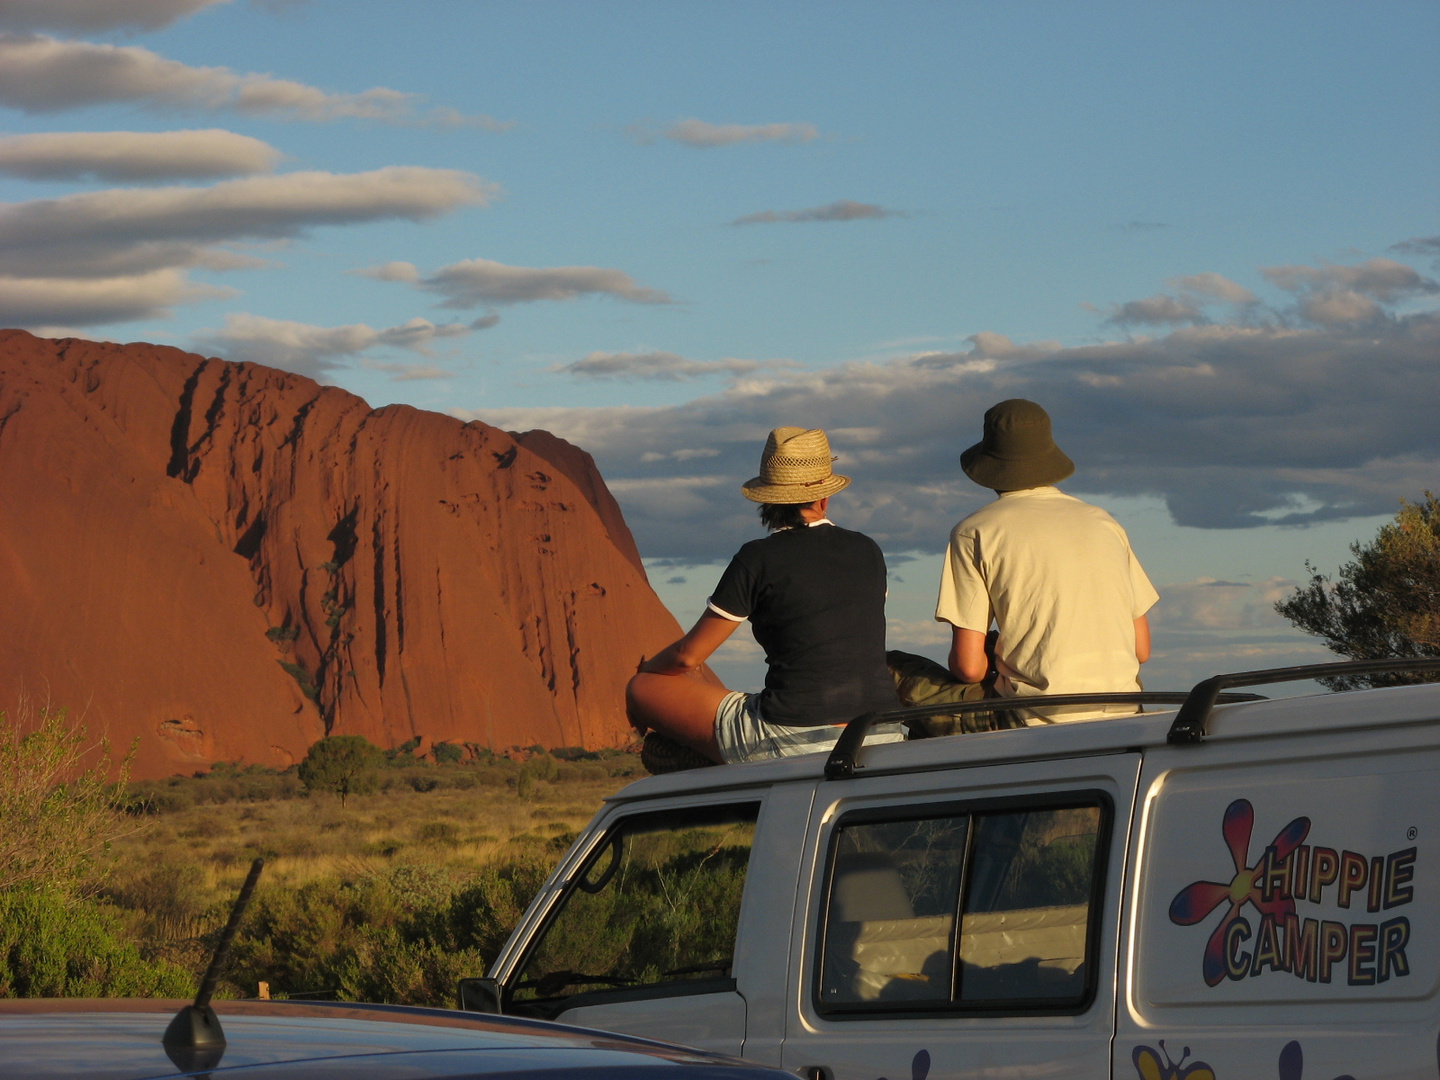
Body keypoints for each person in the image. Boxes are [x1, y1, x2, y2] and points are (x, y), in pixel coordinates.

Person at [626, 426, 903, 766]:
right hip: (881, 730)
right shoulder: (868, 550)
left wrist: (649, 671)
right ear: (824, 497)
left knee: (642, 689)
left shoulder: (758, 558)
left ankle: (708, 756)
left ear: (767, 499)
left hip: (791, 735)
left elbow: (687, 657)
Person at [927, 398, 1159, 723]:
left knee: (899, 672)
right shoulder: (1104, 523)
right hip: (1124, 714)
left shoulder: (973, 532)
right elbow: (1141, 650)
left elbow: (969, 668)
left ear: (989, 463)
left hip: (1033, 719)